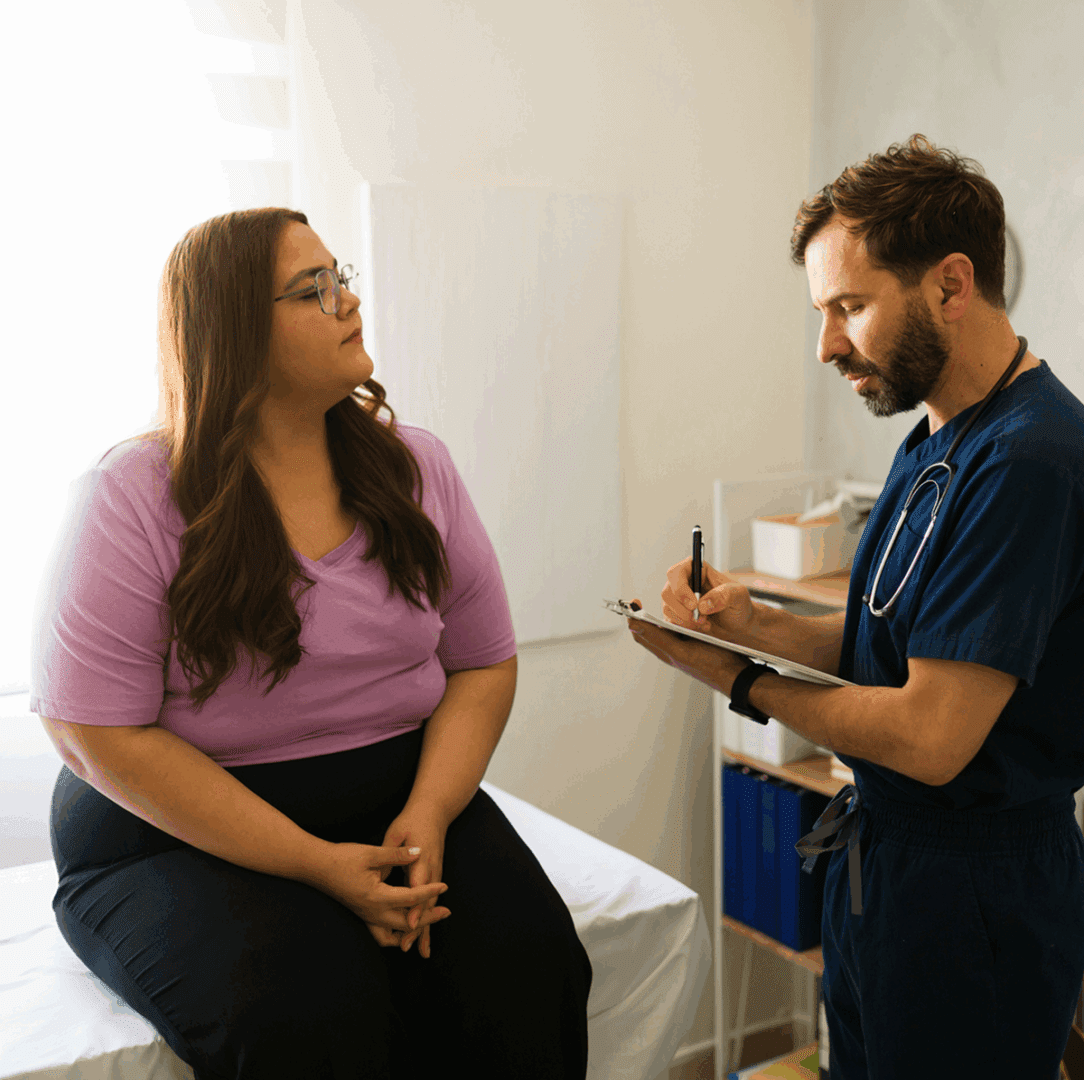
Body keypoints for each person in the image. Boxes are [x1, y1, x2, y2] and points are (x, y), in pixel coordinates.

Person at [31, 208, 592, 1080]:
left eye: (343, 276)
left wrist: (431, 813)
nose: (349, 302)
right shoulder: (133, 493)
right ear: (233, 330)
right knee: (314, 1018)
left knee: (532, 970)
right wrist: (316, 866)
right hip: (173, 832)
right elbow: (91, 733)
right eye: (314, 289)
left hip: (396, 795)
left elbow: (482, 661)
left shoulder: (414, 467)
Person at [627, 134, 1084, 1079]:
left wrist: (741, 680)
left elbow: (930, 732)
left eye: (849, 307)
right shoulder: (937, 434)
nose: (829, 345)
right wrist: (752, 625)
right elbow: (898, 642)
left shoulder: (1031, 459)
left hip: (975, 894)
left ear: (951, 285)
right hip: (888, 863)